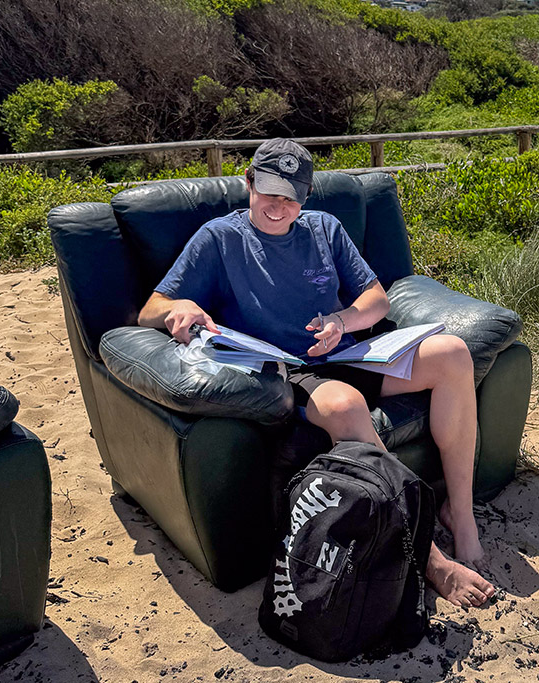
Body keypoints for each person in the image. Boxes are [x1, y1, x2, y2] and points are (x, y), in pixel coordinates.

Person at [137, 138, 494, 610]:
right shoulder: (218, 238)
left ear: (305, 196)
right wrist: (177, 307)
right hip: (284, 369)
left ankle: (460, 515)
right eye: (267, 191)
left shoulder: (325, 227)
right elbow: (149, 311)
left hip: (343, 352)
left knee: (452, 352)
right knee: (343, 403)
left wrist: (341, 321)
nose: (277, 205)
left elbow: (377, 300)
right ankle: (427, 556)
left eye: (290, 196)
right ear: (248, 183)